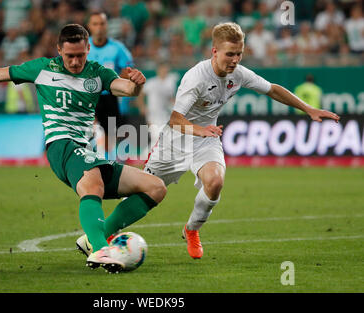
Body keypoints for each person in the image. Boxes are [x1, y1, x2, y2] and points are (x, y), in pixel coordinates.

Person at [0, 24, 167, 273]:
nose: (75, 62)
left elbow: (125, 89)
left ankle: (96, 235)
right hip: (61, 145)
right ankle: (100, 249)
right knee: (92, 183)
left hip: (87, 150)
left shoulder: (99, 73)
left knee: (155, 187)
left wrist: (136, 84)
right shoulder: (42, 69)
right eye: (69, 55)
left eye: (80, 55)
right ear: (59, 50)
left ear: (88, 49)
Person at [144, 22, 340, 259]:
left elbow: (272, 89)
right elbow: (175, 120)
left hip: (206, 138)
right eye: (230, 54)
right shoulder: (196, 77)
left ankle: (192, 230)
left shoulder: (239, 73)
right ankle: (103, 234)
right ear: (214, 52)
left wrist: (308, 109)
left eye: (239, 54)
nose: (235, 60)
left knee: (215, 182)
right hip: (177, 139)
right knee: (142, 192)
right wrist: (199, 129)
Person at [86, 11, 134, 160]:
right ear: (89, 26)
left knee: (108, 138)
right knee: (88, 135)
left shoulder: (117, 48)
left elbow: (129, 73)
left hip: (109, 98)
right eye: (95, 24)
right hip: (87, 97)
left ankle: (108, 165)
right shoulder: (82, 47)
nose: (99, 27)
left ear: (106, 26)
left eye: (102, 23)